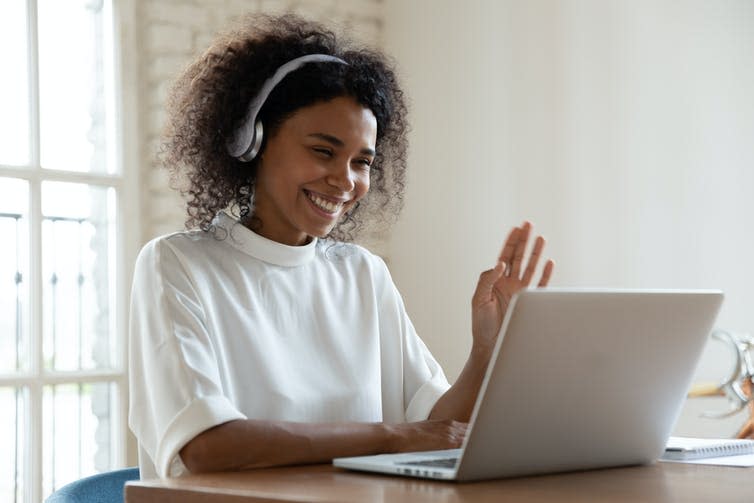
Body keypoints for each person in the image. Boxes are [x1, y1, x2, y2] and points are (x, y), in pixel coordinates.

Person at [128, 13, 554, 479]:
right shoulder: (177, 265)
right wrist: (391, 436)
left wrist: (487, 352)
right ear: (254, 142)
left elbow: (439, 426)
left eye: (362, 162)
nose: (345, 180)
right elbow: (207, 446)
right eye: (323, 151)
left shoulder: (361, 274)